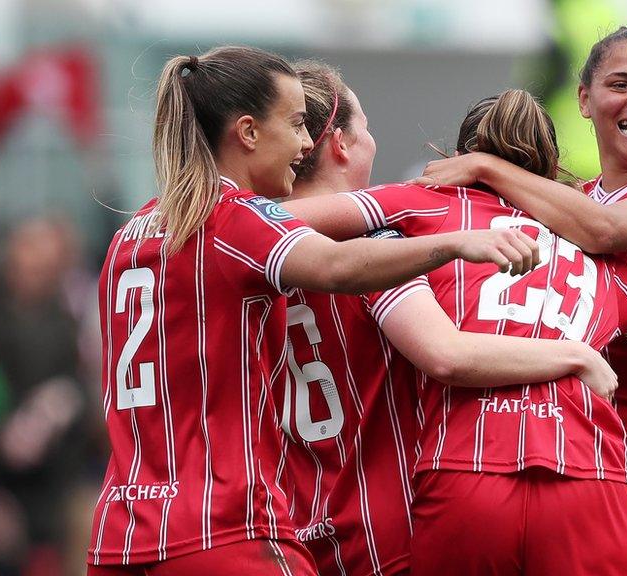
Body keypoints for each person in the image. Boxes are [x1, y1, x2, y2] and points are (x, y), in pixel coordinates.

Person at [85, 46, 541, 576]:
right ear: (249, 132)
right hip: (228, 528)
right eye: (297, 124)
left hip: (122, 534)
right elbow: (351, 277)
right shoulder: (235, 220)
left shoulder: (130, 237)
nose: (305, 144)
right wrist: (457, 243)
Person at [283, 88, 627, 575]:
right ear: (549, 174)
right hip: (589, 478)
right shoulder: (602, 264)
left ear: (458, 160)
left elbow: (272, 222)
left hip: (464, 472)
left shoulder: (419, 208)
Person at [413, 12, 627, 576]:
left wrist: (488, 165)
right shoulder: (569, 202)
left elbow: (604, 232)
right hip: (579, 467)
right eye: (622, 85)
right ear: (584, 100)